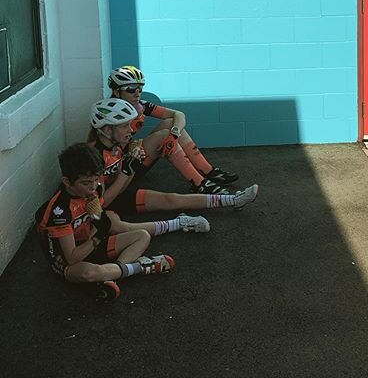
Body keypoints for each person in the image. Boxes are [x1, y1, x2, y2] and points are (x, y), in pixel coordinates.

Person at [36, 143, 179, 301]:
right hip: (68, 262)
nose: (92, 187)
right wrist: (99, 236)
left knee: (142, 236)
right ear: (67, 181)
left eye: (96, 180)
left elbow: (98, 219)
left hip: (90, 244)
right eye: (85, 183)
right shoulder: (60, 211)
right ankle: (141, 267)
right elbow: (72, 257)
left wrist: (99, 223)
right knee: (89, 273)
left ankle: (111, 276)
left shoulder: (95, 188)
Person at [87, 97, 259, 217]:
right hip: (112, 201)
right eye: (124, 126)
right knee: (172, 199)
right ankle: (207, 193)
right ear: (107, 130)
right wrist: (126, 171)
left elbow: (178, 115)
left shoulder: (114, 144)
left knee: (172, 198)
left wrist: (130, 166)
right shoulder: (93, 158)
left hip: (121, 185)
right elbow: (101, 205)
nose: (131, 130)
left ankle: (233, 199)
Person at [105, 65, 237, 194]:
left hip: (132, 156)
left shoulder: (140, 106)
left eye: (140, 88)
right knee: (163, 135)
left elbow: (179, 115)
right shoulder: (108, 113)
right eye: (131, 89)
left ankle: (208, 171)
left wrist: (174, 134)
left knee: (170, 123)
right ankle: (199, 183)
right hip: (120, 172)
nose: (137, 93)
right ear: (117, 91)